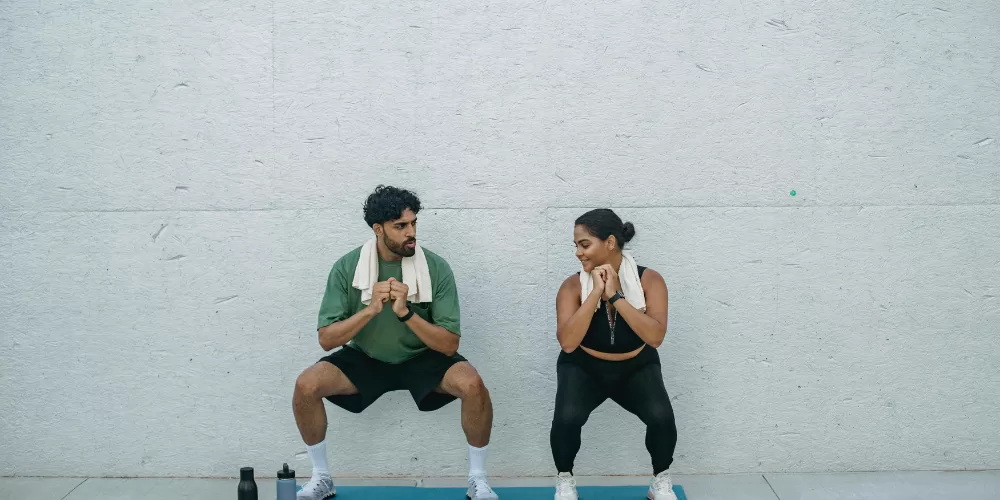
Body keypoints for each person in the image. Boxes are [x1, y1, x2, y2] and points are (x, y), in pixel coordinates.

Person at [292, 185, 499, 500]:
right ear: (378, 229)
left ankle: (478, 480)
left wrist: (405, 313)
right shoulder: (347, 267)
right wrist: (370, 310)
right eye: (400, 226)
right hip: (366, 356)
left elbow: (449, 345)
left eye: (413, 223)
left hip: (422, 356)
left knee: (473, 385)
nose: (411, 232)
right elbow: (327, 339)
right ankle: (321, 478)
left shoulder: (436, 267)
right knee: (306, 385)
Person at [550, 209, 678, 500]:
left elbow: (655, 337)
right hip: (583, 366)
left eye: (584, 244)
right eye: (576, 246)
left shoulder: (650, 280)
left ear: (609, 242)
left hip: (636, 365)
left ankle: (660, 480)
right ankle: (565, 480)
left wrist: (616, 297)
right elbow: (568, 343)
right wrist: (595, 293)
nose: (578, 253)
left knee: (661, 417)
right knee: (567, 418)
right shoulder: (572, 286)